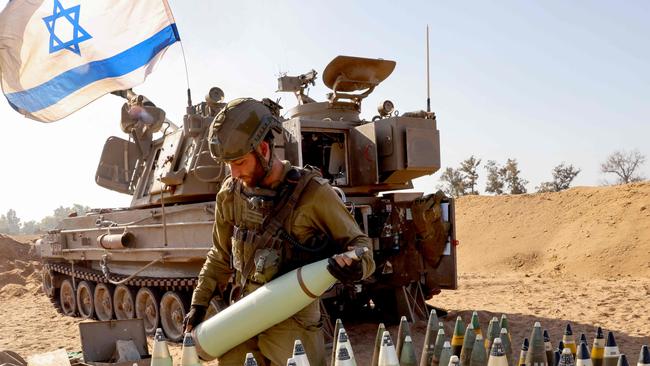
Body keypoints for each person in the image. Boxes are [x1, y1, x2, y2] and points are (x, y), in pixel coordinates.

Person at [183, 98, 375, 366]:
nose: (234, 172)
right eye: (228, 164)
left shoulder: (314, 193)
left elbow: (361, 246)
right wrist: (198, 304)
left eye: (239, 162)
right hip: (240, 321)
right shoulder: (229, 194)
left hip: (293, 326)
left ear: (262, 149)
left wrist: (356, 267)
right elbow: (219, 255)